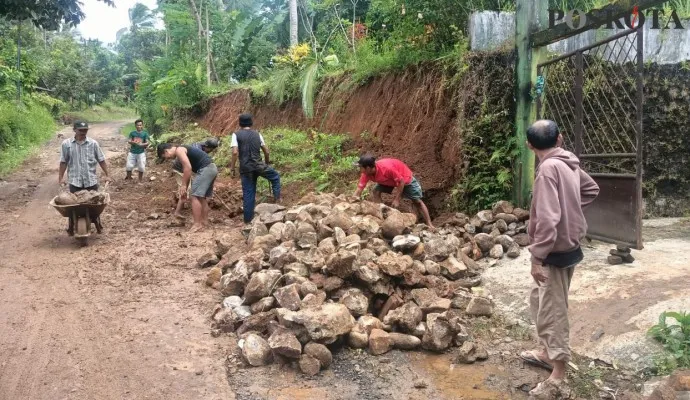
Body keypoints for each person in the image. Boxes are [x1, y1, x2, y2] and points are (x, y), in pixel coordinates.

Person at [518, 120, 599, 397]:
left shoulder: (548, 171)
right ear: (560, 139)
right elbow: (591, 190)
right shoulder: (568, 163)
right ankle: (545, 352)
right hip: (568, 246)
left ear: (529, 145)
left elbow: (550, 220)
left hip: (554, 251)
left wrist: (536, 258)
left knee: (553, 311)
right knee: (540, 301)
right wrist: (572, 213)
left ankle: (559, 372)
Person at [352, 155, 435, 230]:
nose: (360, 169)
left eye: (361, 167)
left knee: (417, 201)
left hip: (404, 178)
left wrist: (397, 199)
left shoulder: (387, 168)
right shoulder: (366, 174)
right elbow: (359, 190)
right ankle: (382, 216)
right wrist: (350, 203)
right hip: (387, 180)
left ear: (368, 168)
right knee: (376, 192)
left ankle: (429, 223)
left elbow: (401, 181)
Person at [58, 120, 111, 235]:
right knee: (73, 206)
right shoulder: (67, 144)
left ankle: (97, 221)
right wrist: (61, 178)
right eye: (81, 130)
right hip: (75, 181)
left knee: (94, 207)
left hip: (90, 181)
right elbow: (63, 162)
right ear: (74, 130)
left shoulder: (93, 144)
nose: (83, 132)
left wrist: (107, 175)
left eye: (85, 130)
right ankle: (71, 224)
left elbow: (101, 159)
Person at [229, 113, 281, 224]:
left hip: (246, 168)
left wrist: (232, 168)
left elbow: (234, 152)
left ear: (240, 123)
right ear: (251, 123)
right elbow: (266, 151)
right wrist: (266, 164)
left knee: (249, 193)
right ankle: (278, 201)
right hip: (259, 165)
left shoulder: (236, 135)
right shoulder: (257, 134)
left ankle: (248, 222)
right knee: (275, 177)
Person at [158, 142, 218, 231]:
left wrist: (183, 185)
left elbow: (187, 168)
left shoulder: (179, 150)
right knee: (201, 198)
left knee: (194, 196)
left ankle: (197, 224)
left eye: (165, 157)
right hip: (212, 168)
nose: (168, 159)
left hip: (206, 169)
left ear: (166, 151)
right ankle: (204, 222)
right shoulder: (182, 148)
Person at [172, 138, 220, 219]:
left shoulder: (201, 147)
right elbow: (188, 165)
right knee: (186, 190)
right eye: (211, 149)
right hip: (180, 169)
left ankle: (200, 217)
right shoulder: (197, 148)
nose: (211, 151)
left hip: (188, 169)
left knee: (192, 192)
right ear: (207, 146)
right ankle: (178, 212)